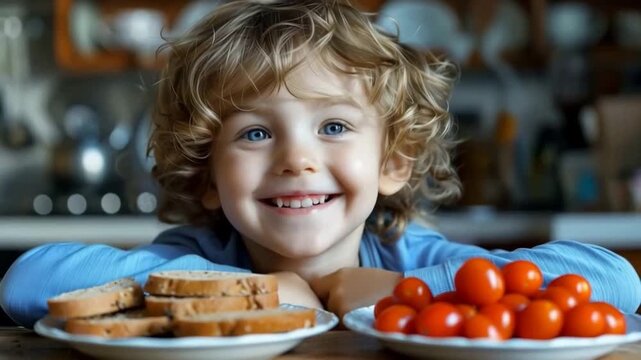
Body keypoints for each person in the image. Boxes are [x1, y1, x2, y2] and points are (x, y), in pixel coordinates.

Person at [1, 0, 639, 328]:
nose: (298, 159)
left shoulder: (411, 257)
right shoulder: (193, 261)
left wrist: (402, 294)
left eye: (333, 126)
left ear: (393, 160)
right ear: (206, 177)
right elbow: (26, 283)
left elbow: (616, 281)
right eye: (254, 133)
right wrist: (260, 291)